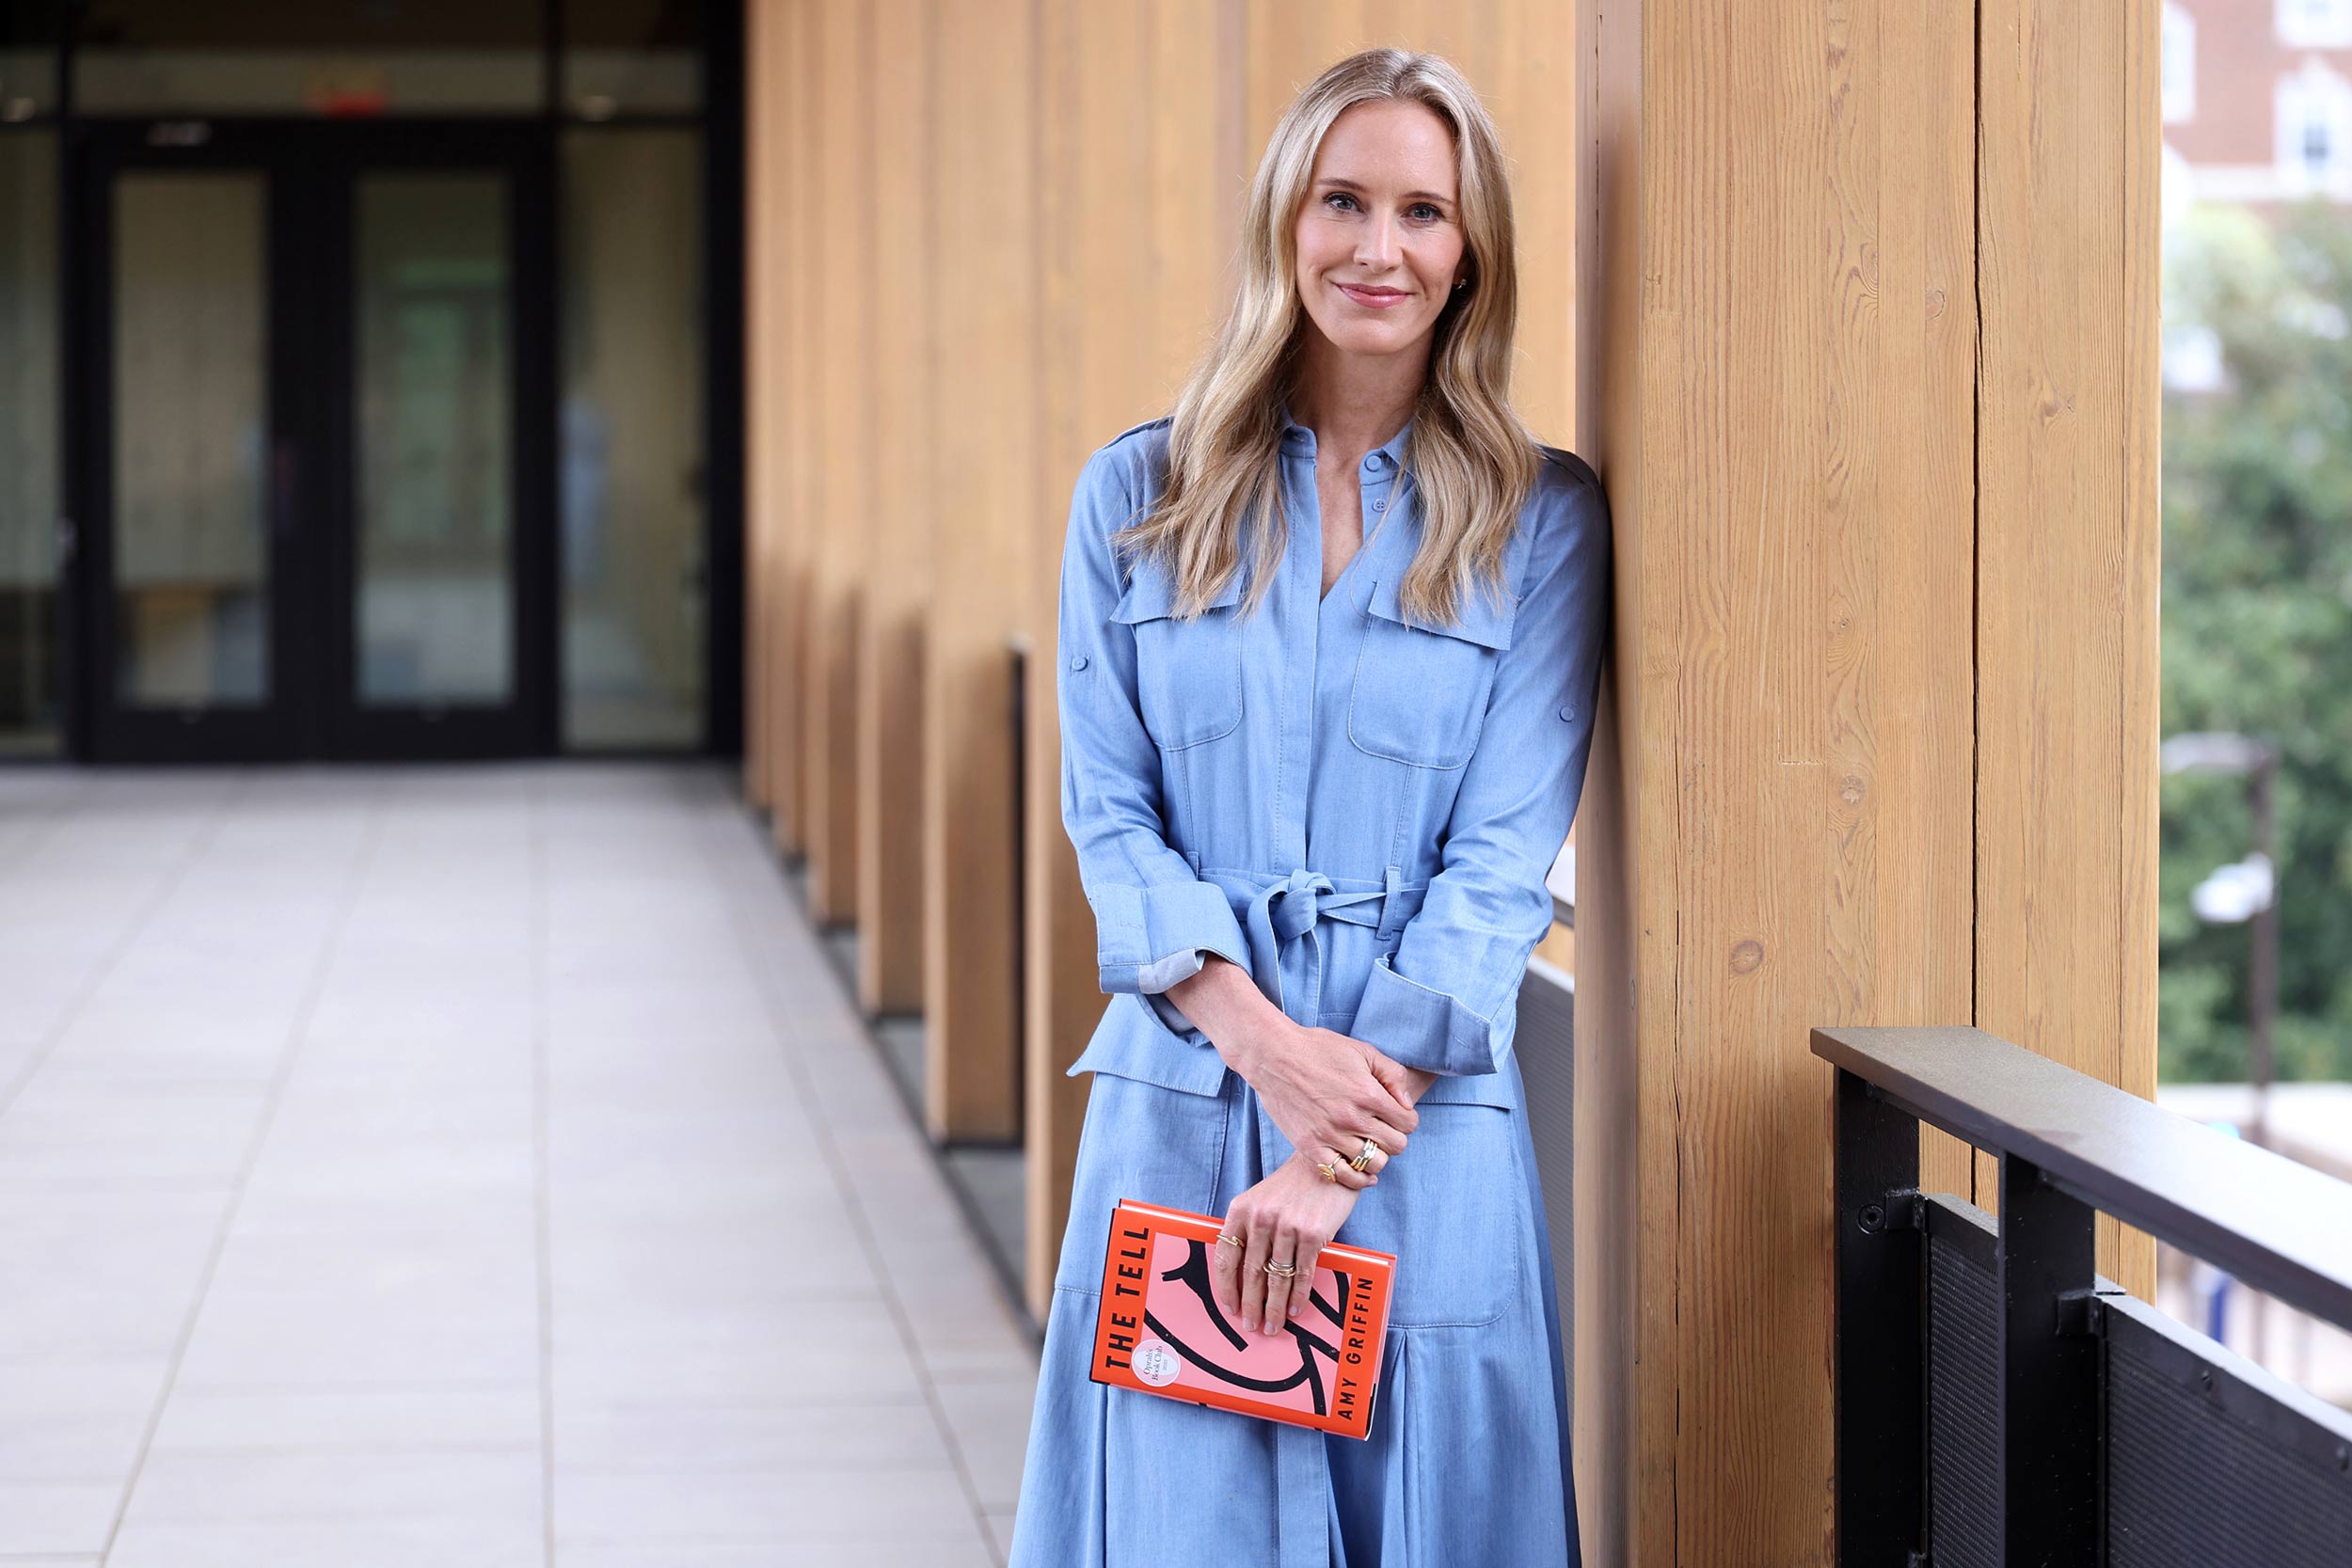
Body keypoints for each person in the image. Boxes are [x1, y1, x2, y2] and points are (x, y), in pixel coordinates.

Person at [1009, 45, 1611, 1568]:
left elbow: (1498, 868)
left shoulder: (1543, 522)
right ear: (1288, 219)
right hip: (1185, 1104)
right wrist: (1268, 1053)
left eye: (1424, 211)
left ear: (1472, 252)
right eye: (1344, 201)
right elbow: (1110, 816)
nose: (1378, 247)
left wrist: (1332, 1152)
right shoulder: (1136, 494)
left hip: (1417, 1135)